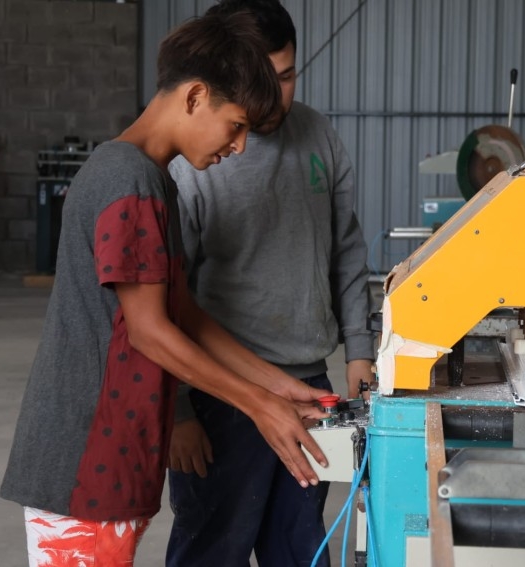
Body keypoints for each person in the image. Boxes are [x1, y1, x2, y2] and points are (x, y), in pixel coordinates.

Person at [0, 11, 331, 567]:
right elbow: (151, 332)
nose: (241, 147)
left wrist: (280, 387)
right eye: (237, 126)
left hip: (111, 461)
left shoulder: (153, 179)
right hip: (83, 464)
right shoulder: (126, 178)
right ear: (197, 96)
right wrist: (258, 408)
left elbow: (183, 312)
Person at [166, 1, 374, 565]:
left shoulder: (318, 134)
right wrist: (179, 412)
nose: (278, 95)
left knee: (300, 546)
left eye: (287, 76)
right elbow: (164, 300)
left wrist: (359, 351)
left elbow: (347, 248)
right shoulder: (189, 161)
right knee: (213, 547)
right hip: (219, 398)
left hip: (308, 384)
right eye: (263, 79)